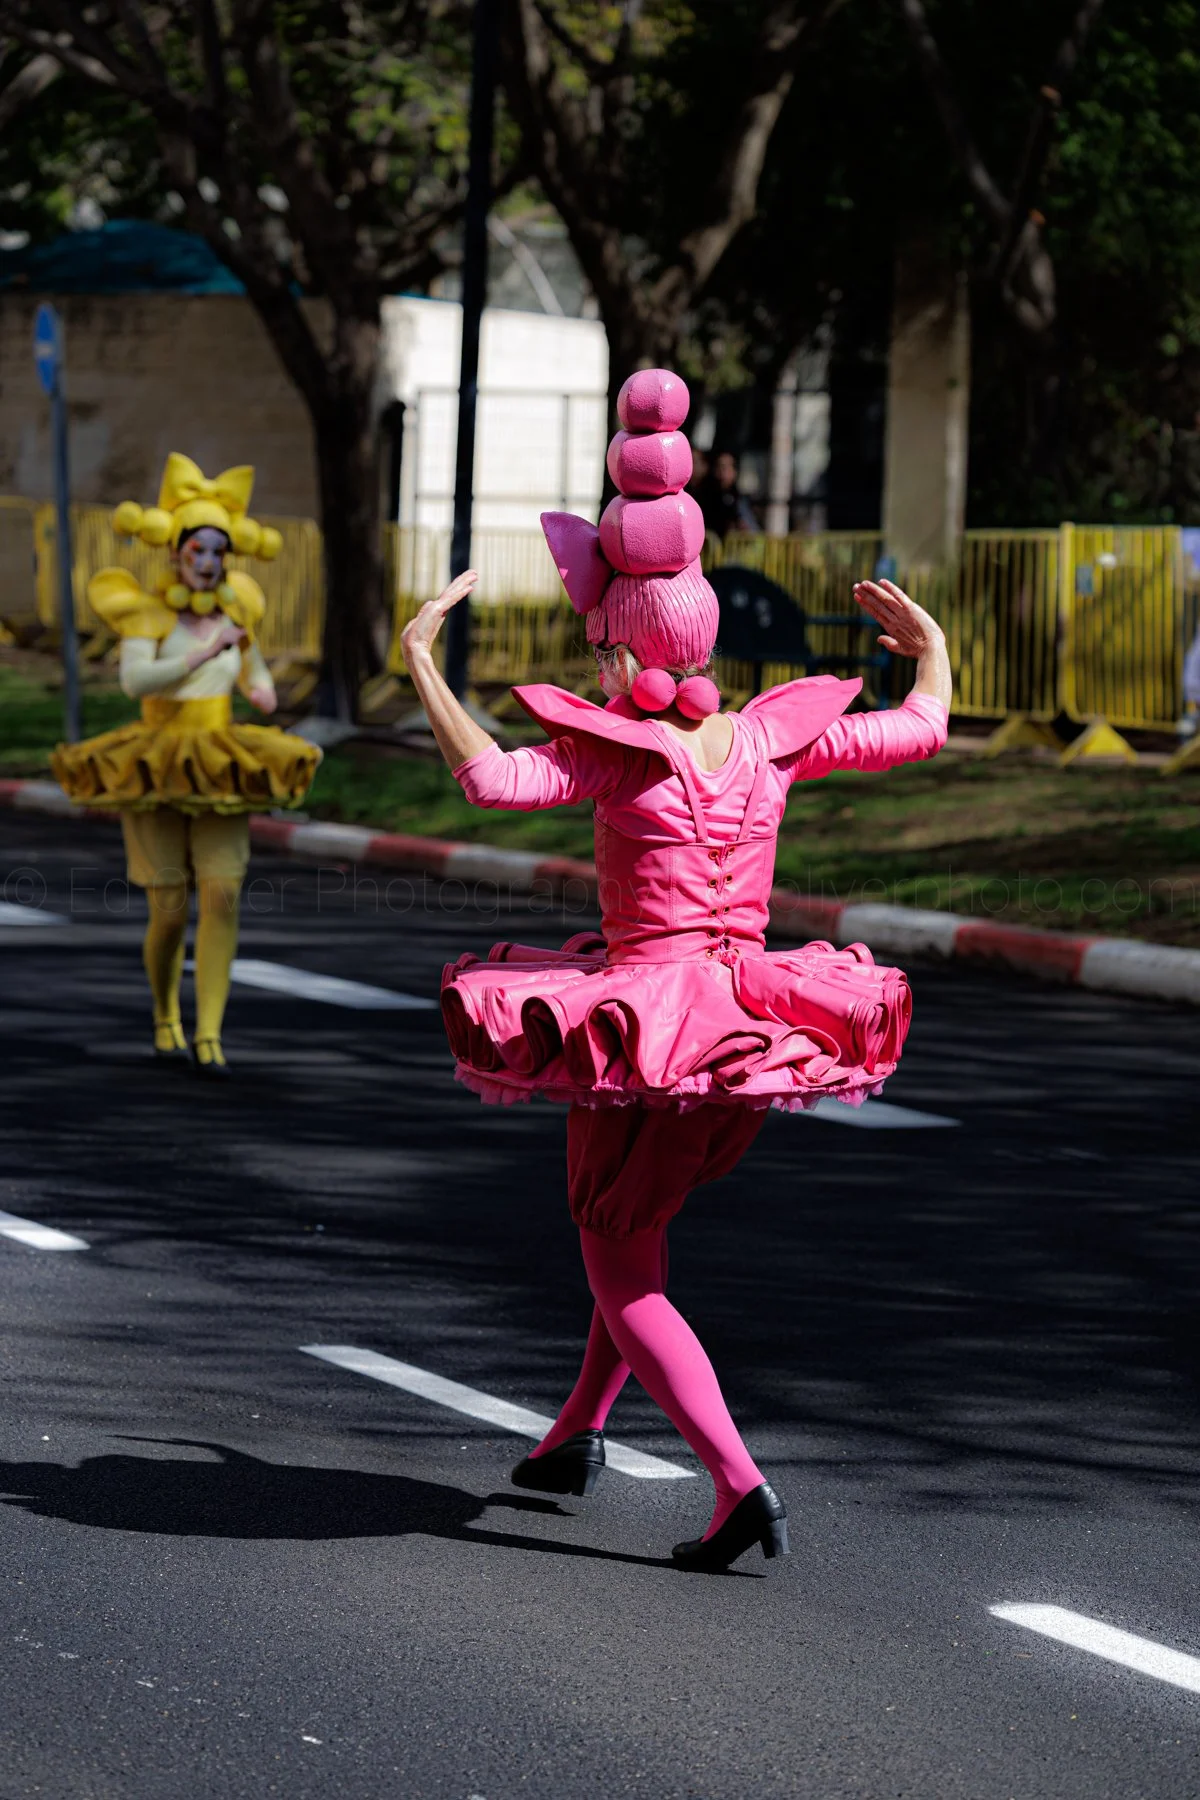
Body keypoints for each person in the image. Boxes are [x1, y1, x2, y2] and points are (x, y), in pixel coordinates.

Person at [402, 369, 951, 1572]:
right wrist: (935, 651)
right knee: (635, 1234)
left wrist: (423, 663)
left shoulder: (620, 754)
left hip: (644, 1029)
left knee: (618, 1257)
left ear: (617, 647)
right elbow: (920, 729)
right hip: (747, 1027)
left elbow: (493, 780)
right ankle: (573, 1436)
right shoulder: (766, 735)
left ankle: (737, 1484)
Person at [51, 454, 321, 1074]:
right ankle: (166, 1013)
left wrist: (259, 687)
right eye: (197, 550)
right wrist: (203, 656)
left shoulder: (235, 619)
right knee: (169, 910)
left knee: (222, 895)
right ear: (174, 555)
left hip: (220, 760)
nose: (208, 563)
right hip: (156, 764)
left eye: (218, 553)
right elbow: (135, 680)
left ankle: (209, 1033)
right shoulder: (148, 614)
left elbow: (257, 682)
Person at [695, 447, 758, 539]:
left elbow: (751, 528)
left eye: (726, 468)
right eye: (719, 467)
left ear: (734, 471)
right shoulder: (706, 497)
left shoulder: (739, 499)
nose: (722, 472)